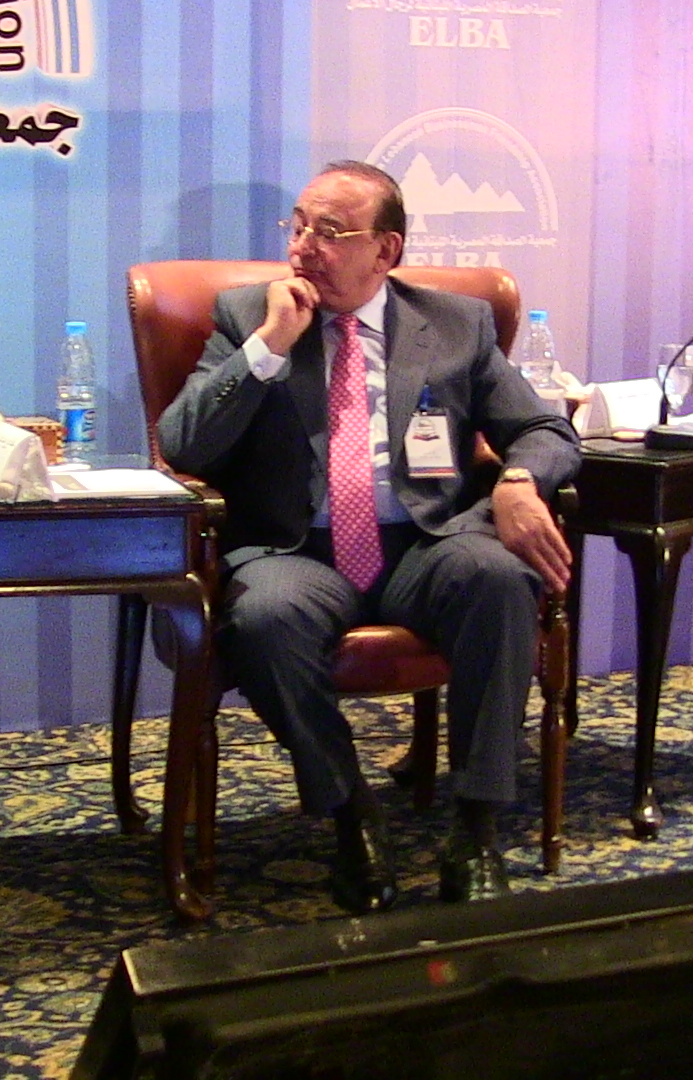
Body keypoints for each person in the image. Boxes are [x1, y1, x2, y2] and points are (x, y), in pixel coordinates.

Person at [158, 161, 579, 913]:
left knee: (498, 579)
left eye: (329, 231)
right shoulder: (248, 316)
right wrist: (268, 347)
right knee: (263, 619)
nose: (302, 247)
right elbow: (184, 444)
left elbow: (544, 427)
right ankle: (351, 813)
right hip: (297, 551)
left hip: (426, 543)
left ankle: (477, 828)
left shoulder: (455, 324)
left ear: (386, 250)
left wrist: (519, 482)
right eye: (297, 226)